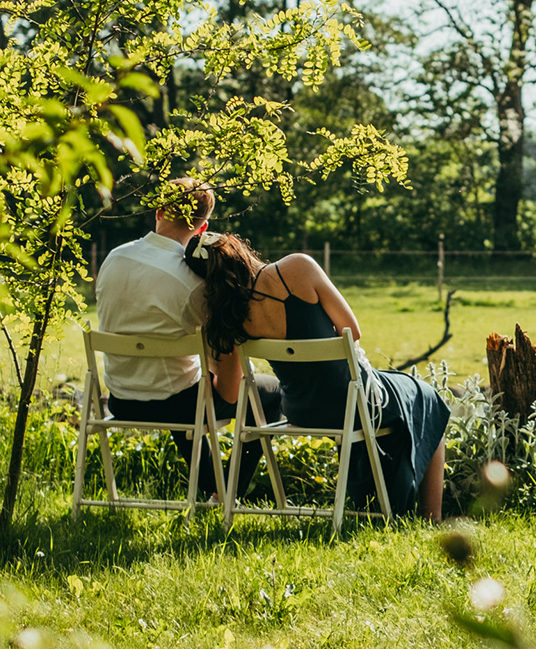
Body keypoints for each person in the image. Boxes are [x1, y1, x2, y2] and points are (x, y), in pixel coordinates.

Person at [184, 231, 450, 521]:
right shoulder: (297, 267)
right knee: (426, 395)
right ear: (236, 245)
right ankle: (431, 517)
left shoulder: (226, 316)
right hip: (354, 402)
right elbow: (352, 331)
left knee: (396, 393)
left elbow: (231, 392)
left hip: (303, 411)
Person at [93, 178, 282, 498]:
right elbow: (230, 389)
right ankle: (229, 491)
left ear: (159, 211)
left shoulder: (113, 259)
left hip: (122, 400)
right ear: (202, 227)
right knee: (269, 393)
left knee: (185, 383)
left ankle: (213, 487)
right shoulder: (193, 283)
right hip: (177, 406)